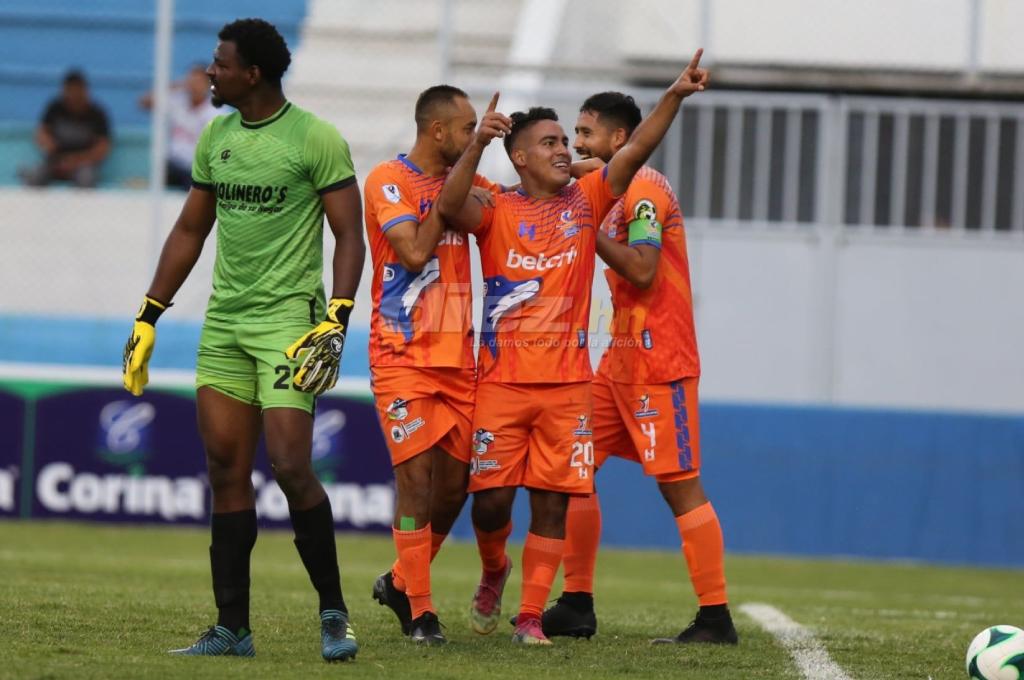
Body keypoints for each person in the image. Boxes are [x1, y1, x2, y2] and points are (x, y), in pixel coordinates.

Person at [436, 49, 709, 645]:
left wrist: (673, 96)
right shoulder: (496, 205)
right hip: (503, 383)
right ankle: (495, 570)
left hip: (572, 385)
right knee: (491, 503)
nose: (567, 148)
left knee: (555, 501)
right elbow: (449, 206)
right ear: (520, 157)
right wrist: (477, 144)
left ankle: (534, 617)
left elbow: (636, 151)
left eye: (571, 139)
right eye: (553, 141)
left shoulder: (590, 201)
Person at [120, 18, 364, 661]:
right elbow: (189, 230)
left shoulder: (315, 138)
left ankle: (335, 615)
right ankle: (232, 628)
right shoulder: (216, 135)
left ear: (252, 74)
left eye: (220, 64)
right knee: (226, 469)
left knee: (290, 466)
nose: (210, 72)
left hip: (289, 325)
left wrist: (336, 318)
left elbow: (349, 234)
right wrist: (148, 315)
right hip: (225, 325)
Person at [526, 91, 738, 645]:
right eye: (573, 134)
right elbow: (566, 178)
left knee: (679, 485)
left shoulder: (644, 191)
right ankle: (577, 603)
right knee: (574, 469)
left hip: (659, 360)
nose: (576, 144)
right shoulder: (610, 187)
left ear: (619, 139)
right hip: (617, 361)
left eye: (586, 133)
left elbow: (644, 270)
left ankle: (715, 617)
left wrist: (586, 231)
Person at [362, 85, 502, 645]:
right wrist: (458, 189)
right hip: (401, 355)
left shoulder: (465, 179)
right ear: (438, 131)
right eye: (467, 129)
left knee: (455, 487)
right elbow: (415, 252)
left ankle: (400, 581)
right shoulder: (387, 180)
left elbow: (512, 204)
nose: (472, 139)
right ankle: (422, 612)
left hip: (458, 359)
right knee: (415, 480)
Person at [20, 69, 111, 188]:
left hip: (83, 165)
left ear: (85, 91)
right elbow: (41, 133)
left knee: (87, 179)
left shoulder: (97, 114)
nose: (74, 96)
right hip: (56, 162)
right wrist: (51, 148)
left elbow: (102, 148)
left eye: (77, 91)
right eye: (70, 91)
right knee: (34, 175)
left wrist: (76, 160)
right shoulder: (55, 108)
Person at [140, 64, 219, 189]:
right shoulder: (178, 101)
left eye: (199, 82)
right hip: (172, 165)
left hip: (196, 169)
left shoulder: (215, 111)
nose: (194, 85)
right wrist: (174, 86)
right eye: (192, 80)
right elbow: (144, 102)